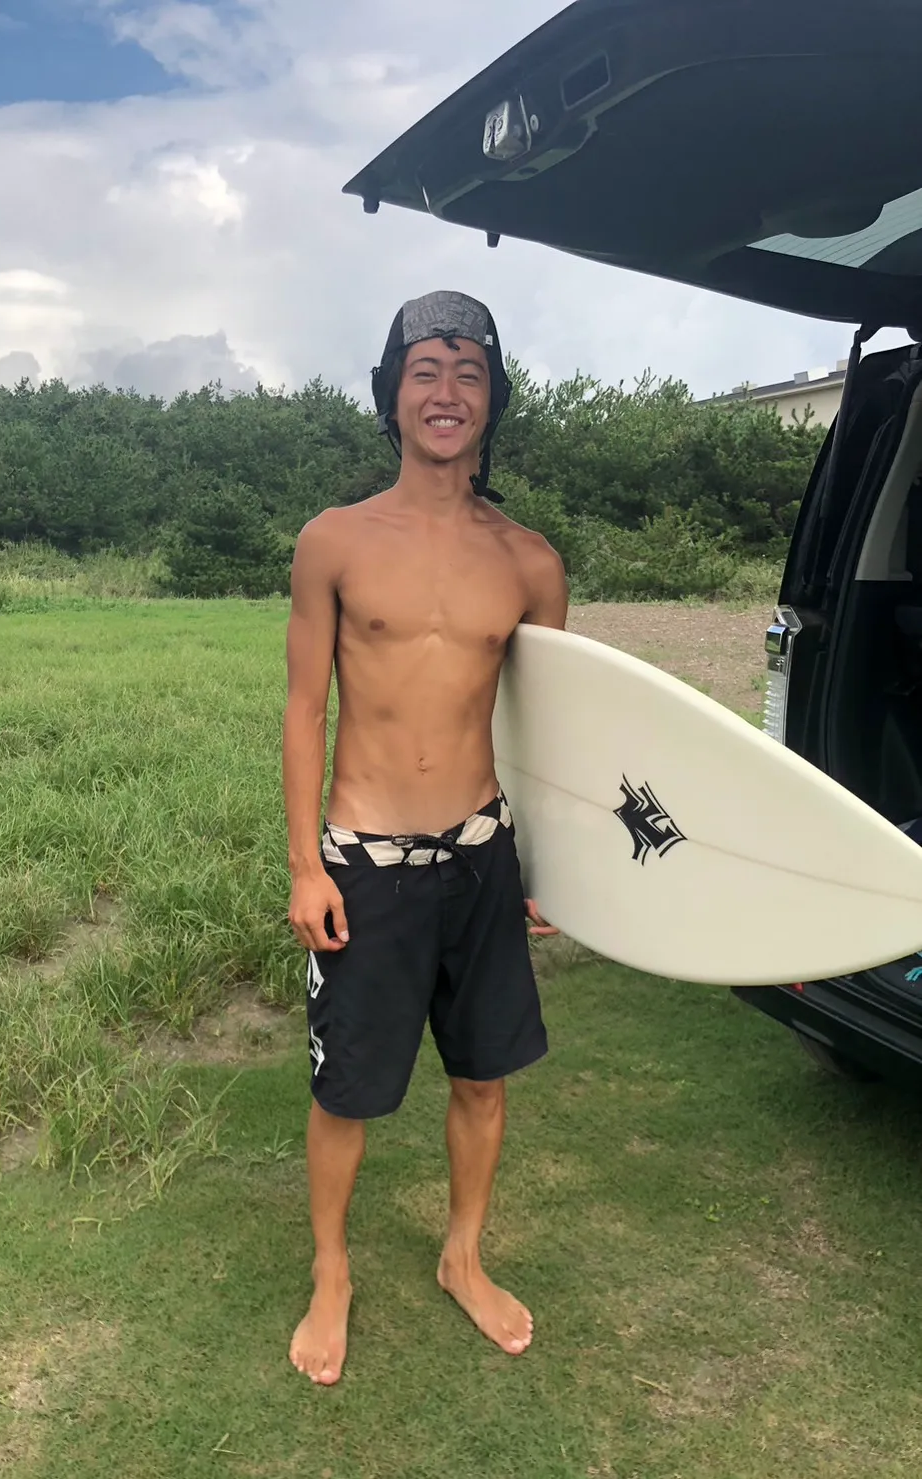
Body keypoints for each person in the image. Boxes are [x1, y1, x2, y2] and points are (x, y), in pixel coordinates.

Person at [282, 290, 568, 1386]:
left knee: (483, 1078)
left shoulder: (529, 562)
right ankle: (331, 1274)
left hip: (481, 856)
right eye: (425, 372)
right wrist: (306, 865)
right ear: (391, 394)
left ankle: (462, 1256)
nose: (446, 393)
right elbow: (304, 708)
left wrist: (553, 868)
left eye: (468, 373)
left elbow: (547, 731)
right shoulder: (335, 541)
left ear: (492, 399)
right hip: (366, 864)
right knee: (345, 1093)